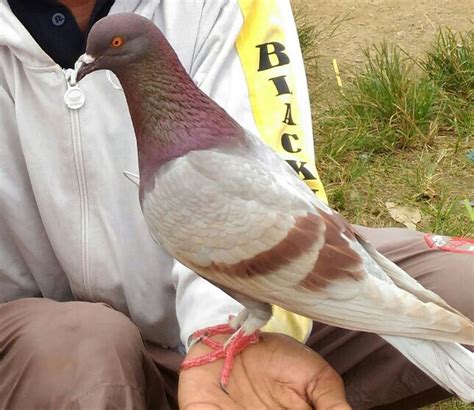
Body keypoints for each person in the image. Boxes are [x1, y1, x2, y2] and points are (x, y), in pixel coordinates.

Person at [0, 0, 472, 409]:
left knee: (462, 285)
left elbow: (277, 184)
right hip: (54, 337)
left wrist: (222, 331)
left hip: (263, 285)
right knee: (75, 354)